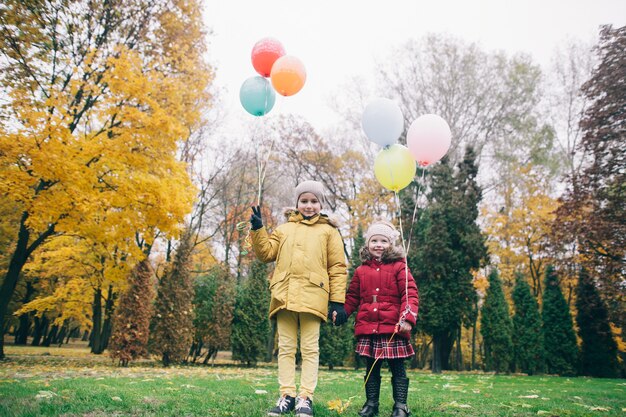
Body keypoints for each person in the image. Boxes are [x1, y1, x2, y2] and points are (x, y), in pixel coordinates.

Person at [250, 180, 348, 417]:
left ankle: (305, 397)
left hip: (314, 296)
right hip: (284, 295)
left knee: (310, 348)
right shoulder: (284, 230)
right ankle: (286, 395)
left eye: (314, 201)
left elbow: (337, 267)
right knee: (285, 348)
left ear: (321, 204)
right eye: (304, 201)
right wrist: (258, 230)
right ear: (296, 203)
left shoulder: (329, 231)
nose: (309, 205)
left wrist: (337, 301)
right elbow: (266, 254)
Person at [334, 220, 418, 417]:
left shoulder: (399, 267)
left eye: (383, 241)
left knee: (398, 368)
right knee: (371, 368)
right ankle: (371, 404)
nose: (378, 245)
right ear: (368, 244)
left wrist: (408, 317)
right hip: (368, 327)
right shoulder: (361, 271)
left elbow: (410, 294)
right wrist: (344, 312)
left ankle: (400, 406)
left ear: (391, 245)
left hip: (393, 328)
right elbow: (353, 296)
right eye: (374, 240)